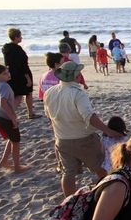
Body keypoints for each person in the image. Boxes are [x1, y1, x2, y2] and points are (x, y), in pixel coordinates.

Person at [44, 61, 123, 196]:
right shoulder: (78, 93)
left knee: (68, 173)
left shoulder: (50, 92)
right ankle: (105, 195)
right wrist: (108, 130)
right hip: (83, 139)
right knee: (101, 167)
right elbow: (89, 117)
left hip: (62, 139)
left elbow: (49, 116)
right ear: (76, 75)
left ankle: (69, 200)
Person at [0, 64, 29, 173]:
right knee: (16, 142)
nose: (8, 75)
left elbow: (3, 102)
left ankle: (4, 161)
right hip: (3, 117)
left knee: (12, 139)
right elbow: (3, 103)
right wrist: (13, 118)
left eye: (8, 72)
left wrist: (17, 100)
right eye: (4, 73)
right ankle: (17, 167)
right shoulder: (4, 86)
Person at [2, 28, 37, 119]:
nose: (21, 38)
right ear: (16, 37)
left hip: (11, 74)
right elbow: (22, 65)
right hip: (21, 74)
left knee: (16, 94)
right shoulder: (17, 49)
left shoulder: (6, 49)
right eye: (20, 36)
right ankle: (29, 113)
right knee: (24, 94)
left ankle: (9, 112)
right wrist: (28, 78)